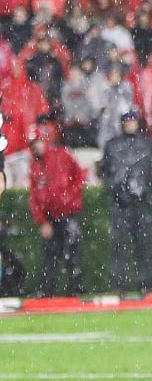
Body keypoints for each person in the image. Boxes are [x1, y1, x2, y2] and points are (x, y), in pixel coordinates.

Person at [97, 111, 152, 295]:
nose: (130, 124)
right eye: (127, 121)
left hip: (141, 202)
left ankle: (145, 284)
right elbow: (104, 172)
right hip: (120, 203)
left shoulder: (148, 145)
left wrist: (144, 190)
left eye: (133, 121)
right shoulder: (113, 145)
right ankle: (119, 285)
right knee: (120, 246)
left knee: (143, 245)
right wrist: (117, 189)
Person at [27, 123, 85, 297]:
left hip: (69, 214)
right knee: (51, 255)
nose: (36, 147)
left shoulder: (61, 155)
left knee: (72, 253)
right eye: (33, 144)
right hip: (51, 217)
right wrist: (42, 221)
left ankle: (74, 290)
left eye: (38, 142)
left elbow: (80, 176)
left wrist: (70, 197)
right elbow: (34, 196)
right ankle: (48, 291)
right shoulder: (34, 166)